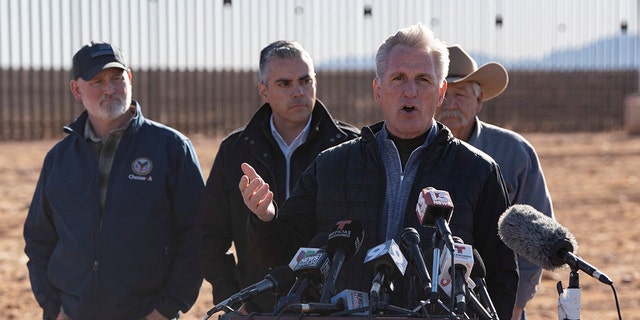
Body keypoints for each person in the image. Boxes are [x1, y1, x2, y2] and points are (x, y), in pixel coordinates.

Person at [239, 24, 518, 320]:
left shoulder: (479, 171)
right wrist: (265, 217)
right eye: (398, 78)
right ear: (378, 90)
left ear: (440, 92)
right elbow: (279, 253)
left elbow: (501, 278)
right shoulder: (331, 165)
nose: (410, 91)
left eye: (423, 79)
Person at [23, 41, 205, 320]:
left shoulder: (171, 149)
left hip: (146, 313)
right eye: (97, 81)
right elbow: (38, 240)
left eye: (117, 78)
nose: (109, 89)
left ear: (129, 79)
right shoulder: (59, 159)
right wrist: (54, 309)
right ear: (76, 89)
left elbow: (196, 236)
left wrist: (165, 310)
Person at [195, 40, 360, 313]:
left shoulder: (350, 147)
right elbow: (210, 236)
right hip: (257, 308)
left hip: (330, 308)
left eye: (305, 81)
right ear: (264, 91)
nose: (298, 92)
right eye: (284, 83)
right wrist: (234, 300)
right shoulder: (235, 150)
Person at [435, 44, 555, 320]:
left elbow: (537, 237)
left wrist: (516, 303)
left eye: (461, 95)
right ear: (433, 97)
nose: (451, 104)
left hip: (496, 302)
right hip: (425, 301)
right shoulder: (414, 153)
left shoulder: (514, 153)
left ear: (479, 101)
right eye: (445, 94)